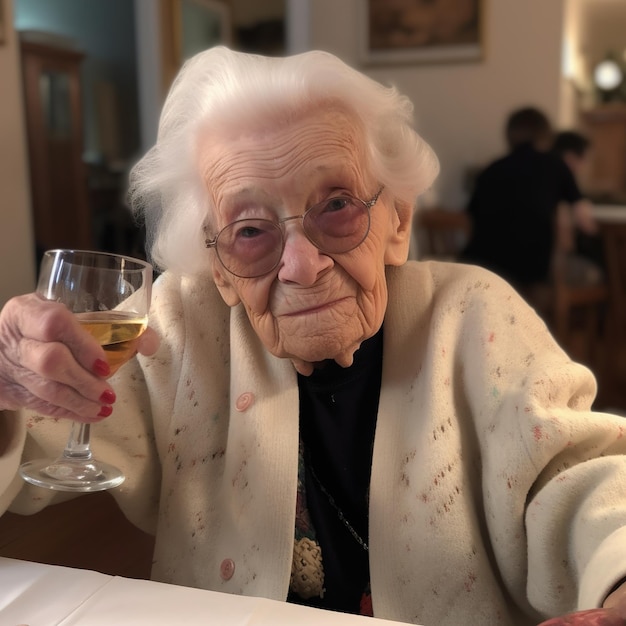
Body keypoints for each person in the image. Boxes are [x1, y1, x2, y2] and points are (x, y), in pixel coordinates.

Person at [0, 47, 626, 626]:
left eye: (336, 207)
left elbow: (578, 474)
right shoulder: (180, 328)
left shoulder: (475, 318)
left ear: (398, 221)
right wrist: (11, 386)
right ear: (218, 266)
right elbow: (41, 443)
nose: (301, 265)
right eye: (250, 231)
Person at [460, 107, 599, 292]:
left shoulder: (491, 168)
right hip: (530, 268)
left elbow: (470, 216)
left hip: (482, 264)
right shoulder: (555, 165)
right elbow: (584, 220)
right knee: (595, 271)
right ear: (545, 135)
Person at [551, 130, 605, 282]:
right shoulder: (564, 181)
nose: (585, 167)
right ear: (571, 157)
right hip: (552, 264)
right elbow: (588, 226)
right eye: (585, 160)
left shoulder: (537, 176)